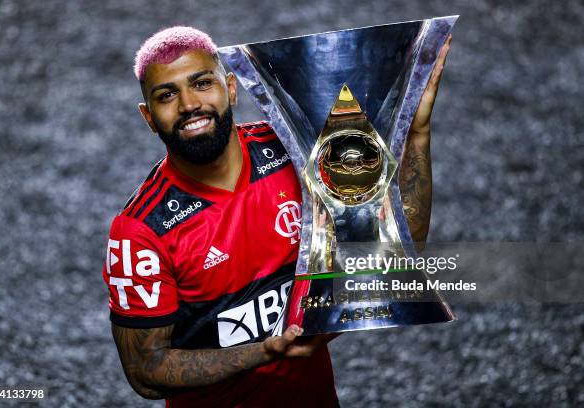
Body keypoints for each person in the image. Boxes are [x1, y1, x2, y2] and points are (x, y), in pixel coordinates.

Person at [102, 26, 451, 407]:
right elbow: (145, 369)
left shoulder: (298, 155)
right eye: (166, 95)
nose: (189, 104)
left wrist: (417, 133)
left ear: (231, 88)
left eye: (202, 83)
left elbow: (391, 260)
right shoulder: (140, 231)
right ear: (148, 117)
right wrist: (264, 351)